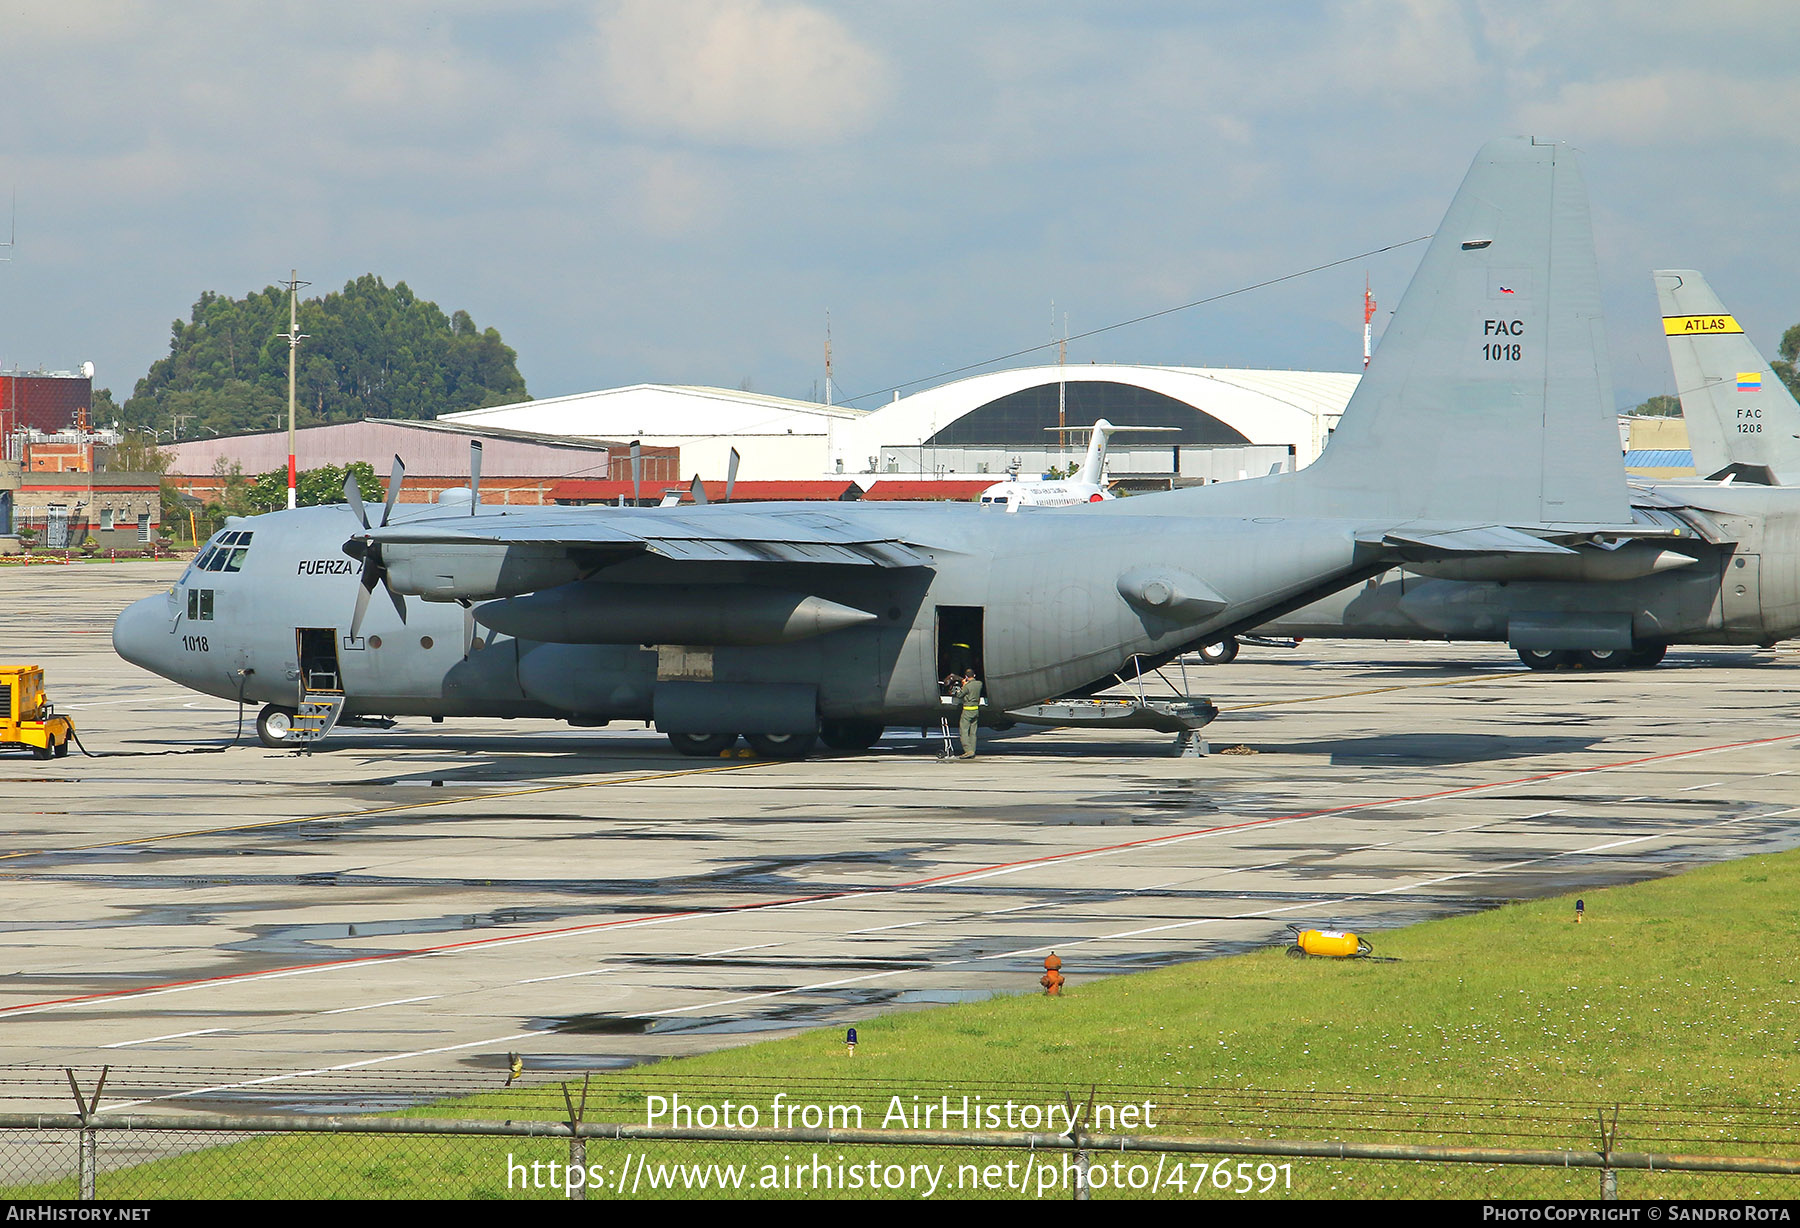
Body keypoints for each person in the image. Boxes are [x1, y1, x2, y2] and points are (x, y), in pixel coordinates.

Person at [955, 668, 982, 759]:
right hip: (976, 710)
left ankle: (968, 750)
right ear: (974, 675)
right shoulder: (979, 684)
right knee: (973, 732)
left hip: (967, 710)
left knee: (964, 731)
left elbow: (959, 695)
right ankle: (972, 750)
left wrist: (963, 685)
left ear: (966, 677)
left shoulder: (967, 686)